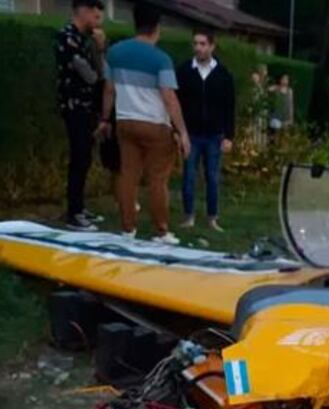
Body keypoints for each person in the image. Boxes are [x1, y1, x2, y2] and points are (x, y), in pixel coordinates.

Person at [97, 2, 190, 245]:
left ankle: (128, 229)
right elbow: (169, 97)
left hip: (125, 122)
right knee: (157, 179)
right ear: (157, 28)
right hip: (155, 125)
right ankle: (161, 231)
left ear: (135, 24)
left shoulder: (115, 53)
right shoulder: (161, 59)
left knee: (128, 176)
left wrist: (105, 119)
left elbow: (108, 89)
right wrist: (182, 131)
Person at [176, 28, 235, 231]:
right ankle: (189, 215)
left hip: (214, 135)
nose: (198, 48)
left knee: (212, 177)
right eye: (195, 44)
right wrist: (178, 131)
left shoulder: (223, 74)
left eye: (202, 44)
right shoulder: (184, 71)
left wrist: (229, 136)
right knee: (189, 176)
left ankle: (212, 217)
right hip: (191, 133)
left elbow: (229, 106)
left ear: (212, 46)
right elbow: (177, 103)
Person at [55, 0, 106, 231]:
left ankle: (79, 207)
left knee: (85, 158)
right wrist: (100, 50)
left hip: (87, 107)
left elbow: (100, 73)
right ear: (83, 11)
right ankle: (73, 213)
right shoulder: (68, 37)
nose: (98, 23)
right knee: (79, 157)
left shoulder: (83, 39)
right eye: (96, 17)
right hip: (75, 106)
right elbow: (91, 76)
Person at [268, 73, 295, 138]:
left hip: (286, 117)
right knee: (275, 135)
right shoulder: (276, 88)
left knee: (284, 136)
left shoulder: (290, 91)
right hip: (276, 116)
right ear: (280, 80)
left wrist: (291, 117)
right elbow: (268, 90)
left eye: (286, 79)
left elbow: (291, 105)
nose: (284, 81)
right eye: (283, 79)